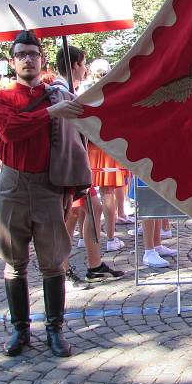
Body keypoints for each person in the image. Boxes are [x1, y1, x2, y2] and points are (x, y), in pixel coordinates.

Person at [0, 30, 92, 357]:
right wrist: (49, 114)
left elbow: (75, 138)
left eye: (33, 54)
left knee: (54, 262)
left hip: (48, 184)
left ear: (41, 58)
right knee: (14, 263)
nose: (28, 59)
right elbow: (11, 130)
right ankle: (20, 330)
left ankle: (55, 330)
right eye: (22, 54)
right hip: (13, 184)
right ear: (12, 61)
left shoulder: (56, 94)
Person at [50, 45, 125, 284]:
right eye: (82, 64)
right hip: (70, 166)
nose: (85, 69)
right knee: (81, 212)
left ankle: (86, 265)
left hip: (74, 163)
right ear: (75, 66)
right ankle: (68, 267)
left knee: (82, 212)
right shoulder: (60, 92)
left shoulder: (66, 90)